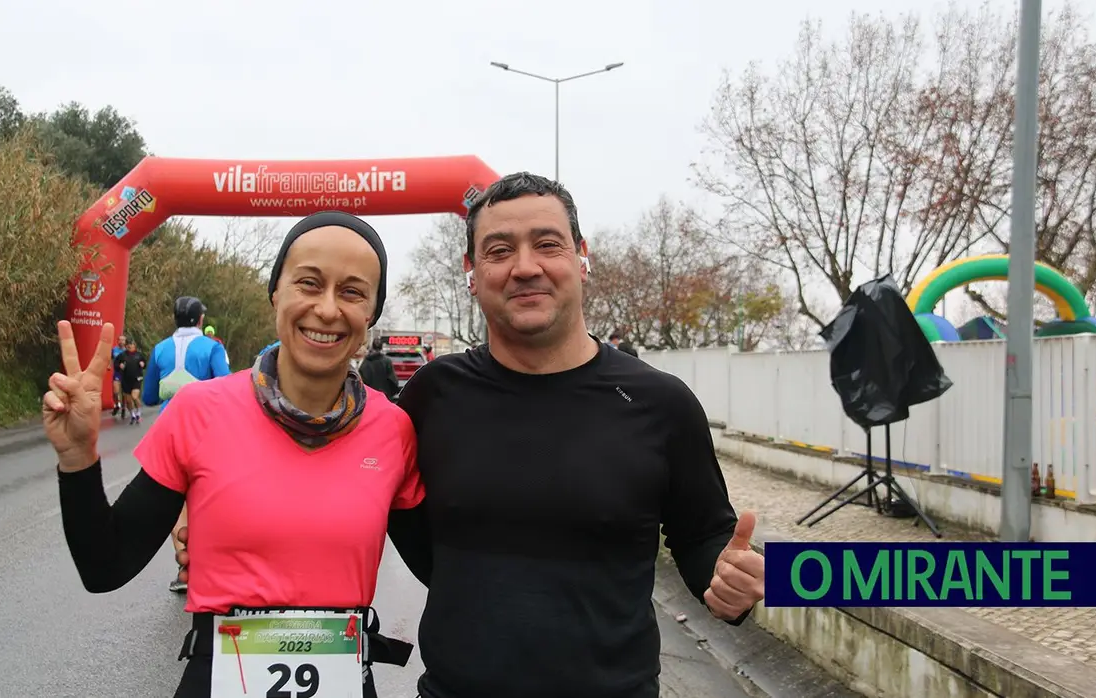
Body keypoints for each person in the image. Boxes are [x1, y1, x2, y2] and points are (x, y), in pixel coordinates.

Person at [178, 172, 767, 698]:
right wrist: (211, 512)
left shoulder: (660, 403)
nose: (525, 266)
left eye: (547, 244)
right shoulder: (434, 396)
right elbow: (346, 481)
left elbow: (705, 535)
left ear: (581, 256)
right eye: (499, 250)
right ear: (473, 272)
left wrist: (729, 578)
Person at [46, 212, 423, 698]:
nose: (327, 309)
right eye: (308, 283)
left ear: (371, 313)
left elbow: (448, 569)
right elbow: (106, 568)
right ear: (276, 293)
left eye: (352, 292)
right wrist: (78, 459)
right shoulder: (200, 411)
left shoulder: (393, 431)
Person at [141, 295, 232, 592]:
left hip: (169, 430)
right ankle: (210, 564)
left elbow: (149, 397)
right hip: (206, 431)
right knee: (207, 497)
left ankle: (185, 566)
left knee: (175, 500)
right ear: (201, 320)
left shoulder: (160, 349)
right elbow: (226, 386)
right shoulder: (212, 347)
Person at [113, 337, 147, 425]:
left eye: (131, 344)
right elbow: (115, 364)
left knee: (134, 397)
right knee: (128, 400)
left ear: (134, 345)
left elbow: (144, 363)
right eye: (127, 344)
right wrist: (119, 366)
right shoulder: (122, 355)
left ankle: (139, 412)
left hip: (137, 379)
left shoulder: (139, 355)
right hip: (126, 380)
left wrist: (143, 364)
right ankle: (132, 415)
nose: (129, 346)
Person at [111, 334, 127, 420]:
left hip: (125, 374)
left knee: (124, 393)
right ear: (118, 341)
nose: (121, 342)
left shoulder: (127, 351)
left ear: (125, 341)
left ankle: (123, 408)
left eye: (123, 340)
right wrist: (109, 366)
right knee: (115, 391)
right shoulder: (114, 350)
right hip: (117, 373)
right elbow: (110, 358)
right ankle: (117, 405)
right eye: (120, 340)